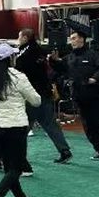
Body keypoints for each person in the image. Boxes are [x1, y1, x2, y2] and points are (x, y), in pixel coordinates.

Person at [0, 43, 41, 197]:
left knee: (9, 167)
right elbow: (36, 101)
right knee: (16, 168)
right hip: (16, 127)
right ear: (11, 58)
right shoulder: (18, 77)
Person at [49, 30, 99, 160]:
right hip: (79, 96)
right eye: (71, 39)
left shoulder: (93, 55)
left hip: (95, 95)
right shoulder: (69, 57)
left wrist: (95, 78)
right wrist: (54, 61)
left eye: (74, 38)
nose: (72, 41)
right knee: (88, 126)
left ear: (82, 39)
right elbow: (60, 69)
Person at [16, 28, 72, 164]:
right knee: (50, 124)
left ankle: (16, 155)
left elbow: (19, 75)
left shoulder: (23, 55)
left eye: (19, 37)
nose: (18, 40)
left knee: (23, 125)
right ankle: (64, 151)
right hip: (45, 92)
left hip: (30, 94)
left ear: (25, 38)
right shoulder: (42, 51)